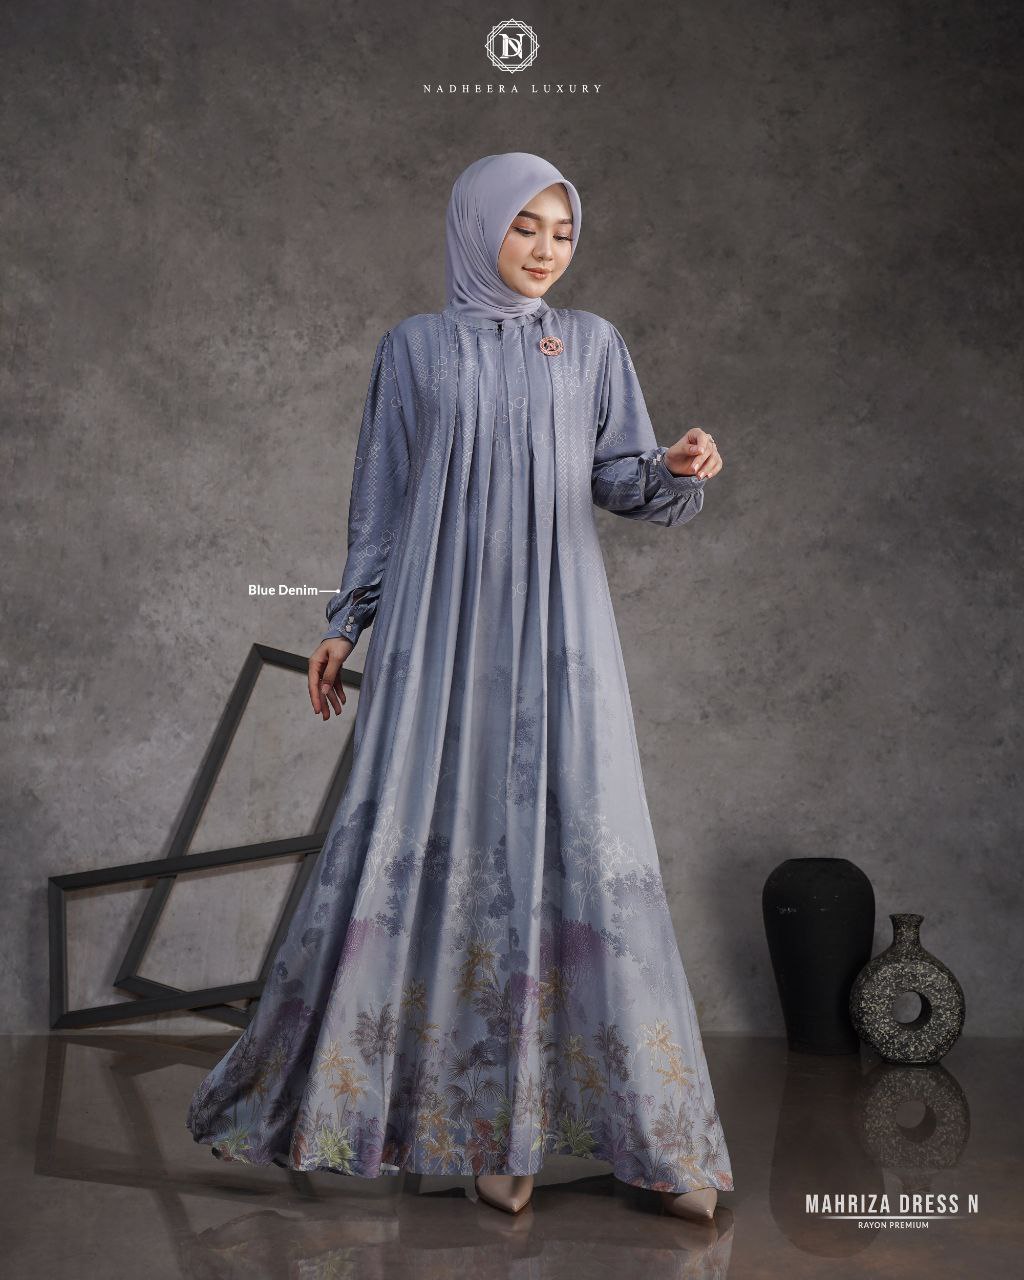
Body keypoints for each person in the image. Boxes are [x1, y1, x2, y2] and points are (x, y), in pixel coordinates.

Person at [186, 152, 732, 1225]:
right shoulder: (413, 349)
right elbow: (380, 500)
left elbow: (621, 478)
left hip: (561, 632)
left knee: (587, 852)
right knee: (444, 851)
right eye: (524, 225)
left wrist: (673, 469)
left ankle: (659, 1141)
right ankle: (489, 1137)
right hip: (438, 634)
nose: (544, 249)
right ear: (478, 227)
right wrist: (344, 621)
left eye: (561, 231)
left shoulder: (593, 345)